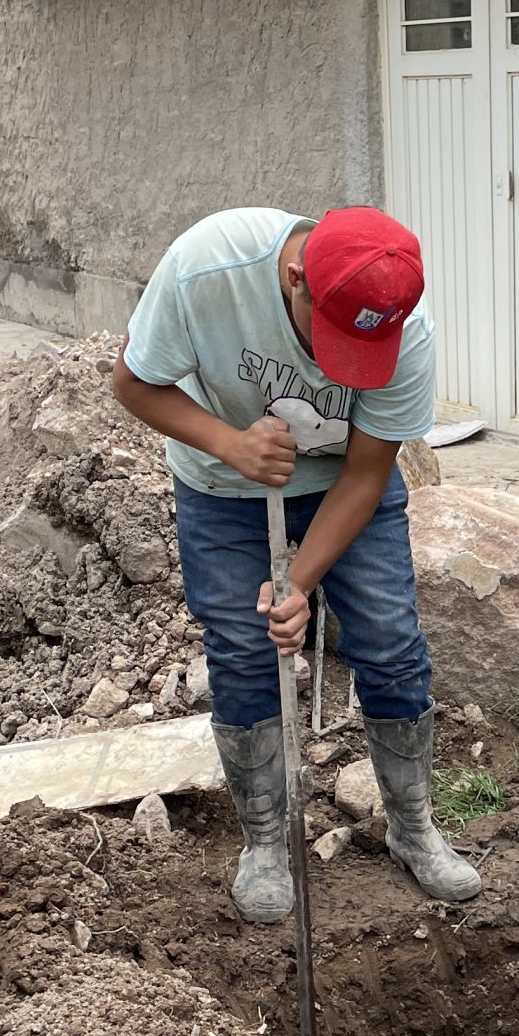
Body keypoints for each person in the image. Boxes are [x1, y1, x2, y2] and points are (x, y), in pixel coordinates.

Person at [112, 206, 481, 919]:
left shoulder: (403, 329)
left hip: (344, 489)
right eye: (330, 335)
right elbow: (131, 383)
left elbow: (368, 474)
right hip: (221, 486)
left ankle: (412, 830)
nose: (338, 361)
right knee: (244, 654)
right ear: (294, 279)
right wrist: (229, 444)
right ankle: (265, 845)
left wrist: (299, 583)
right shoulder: (206, 268)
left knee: (392, 645)